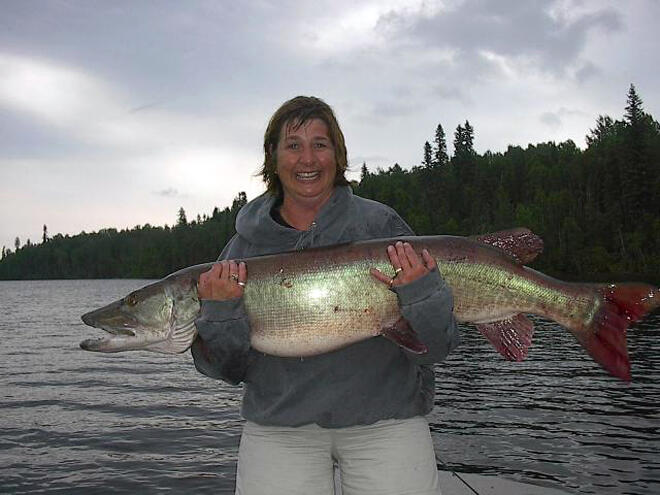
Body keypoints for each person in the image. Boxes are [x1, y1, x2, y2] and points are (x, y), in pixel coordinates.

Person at [191, 96, 460, 495]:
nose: (308, 159)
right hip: (279, 427)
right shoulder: (240, 252)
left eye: (320, 144)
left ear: (337, 154)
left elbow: (438, 346)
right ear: (273, 156)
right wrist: (219, 317)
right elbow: (228, 369)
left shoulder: (381, 225)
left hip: (386, 419)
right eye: (293, 145)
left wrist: (421, 294)